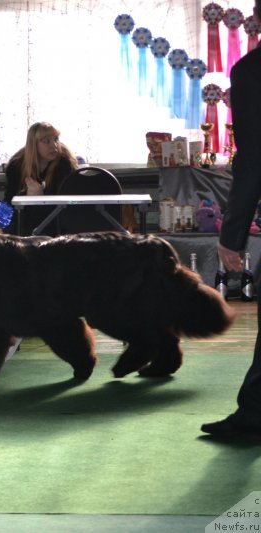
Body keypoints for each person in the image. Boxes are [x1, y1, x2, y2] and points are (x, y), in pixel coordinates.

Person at [201, 0, 261, 443]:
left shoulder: (251, 72)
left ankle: (254, 416)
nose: (253, 17)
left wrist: (231, 234)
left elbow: (254, 159)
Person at [3, 121, 78, 236]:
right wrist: (27, 199)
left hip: (56, 228)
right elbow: (9, 203)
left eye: (56, 139)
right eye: (46, 141)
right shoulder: (17, 166)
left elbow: (67, 208)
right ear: (33, 144)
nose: (54, 145)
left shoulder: (64, 165)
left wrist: (41, 199)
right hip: (24, 227)